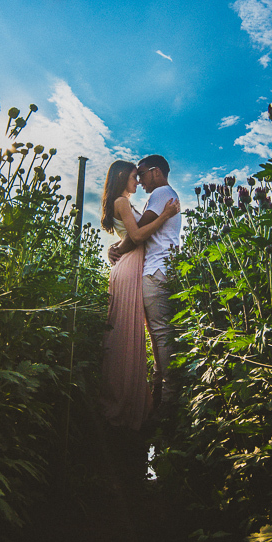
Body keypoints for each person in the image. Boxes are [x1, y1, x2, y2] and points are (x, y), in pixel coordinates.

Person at [98, 159, 180, 431]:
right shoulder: (156, 197)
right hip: (146, 268)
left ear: (155, 172)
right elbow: (134, 235)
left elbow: (136, 237)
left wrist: (118, 248)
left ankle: (166, 401)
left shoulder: (160, 194)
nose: (140, 181)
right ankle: (159, 399)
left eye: (142, 174)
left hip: (154, 270)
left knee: (158, 335)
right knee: (154, 335)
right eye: (136, 176)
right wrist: (119, 247)